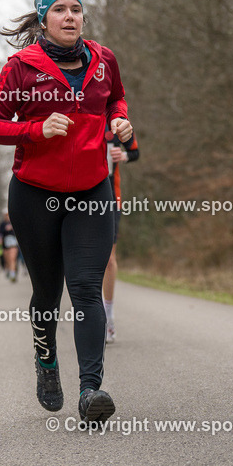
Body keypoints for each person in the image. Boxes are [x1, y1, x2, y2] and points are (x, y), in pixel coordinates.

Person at [0, 0, 133, 422]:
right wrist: (34, 130)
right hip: (35, 194)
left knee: (85, 288)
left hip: (91, 189)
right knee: (47, 293)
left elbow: (116, 101)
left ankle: (91, 391)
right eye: (60, 10)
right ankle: (47, 365)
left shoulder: (103, 60)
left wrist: (120, 121)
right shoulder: (21, 67)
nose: (70, 16)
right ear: (43, 19)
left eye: (76, 10)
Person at [102, 123, 139, 343]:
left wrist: (123, 155)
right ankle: (90, 316)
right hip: (77, 198)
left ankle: (108, 318)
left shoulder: (116, 123)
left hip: (110, 197)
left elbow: (135, 151)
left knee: (108, 259)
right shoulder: (75, 113)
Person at [0, 212, 19, 281]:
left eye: (8, 216)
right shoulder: (2, 224)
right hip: (5, 245)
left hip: (13, 244)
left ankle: (13, 275)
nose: (7, 217)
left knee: (12, 259)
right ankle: (9, 270)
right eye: (6, 216)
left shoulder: (13, 223)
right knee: (7, 260)